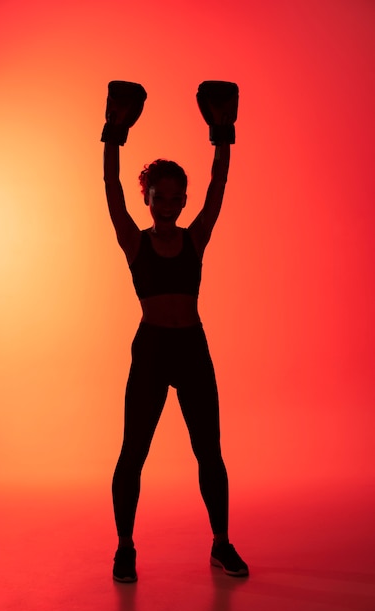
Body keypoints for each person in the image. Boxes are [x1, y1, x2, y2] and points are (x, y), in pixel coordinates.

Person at [102, 81, 248, 583]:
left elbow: (219, 187)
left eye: (174, 197)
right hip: (152, 351)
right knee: (133, 452)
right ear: (147, 198)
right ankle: (125, 547)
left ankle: (222, 544)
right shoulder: (134, 242)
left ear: (183, 198)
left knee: (210, 452)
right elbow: (111, 193)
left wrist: (222, 135)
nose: (168, 204)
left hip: (192, 350)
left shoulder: (196, 238)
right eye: (158, 196)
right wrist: (112, 136)